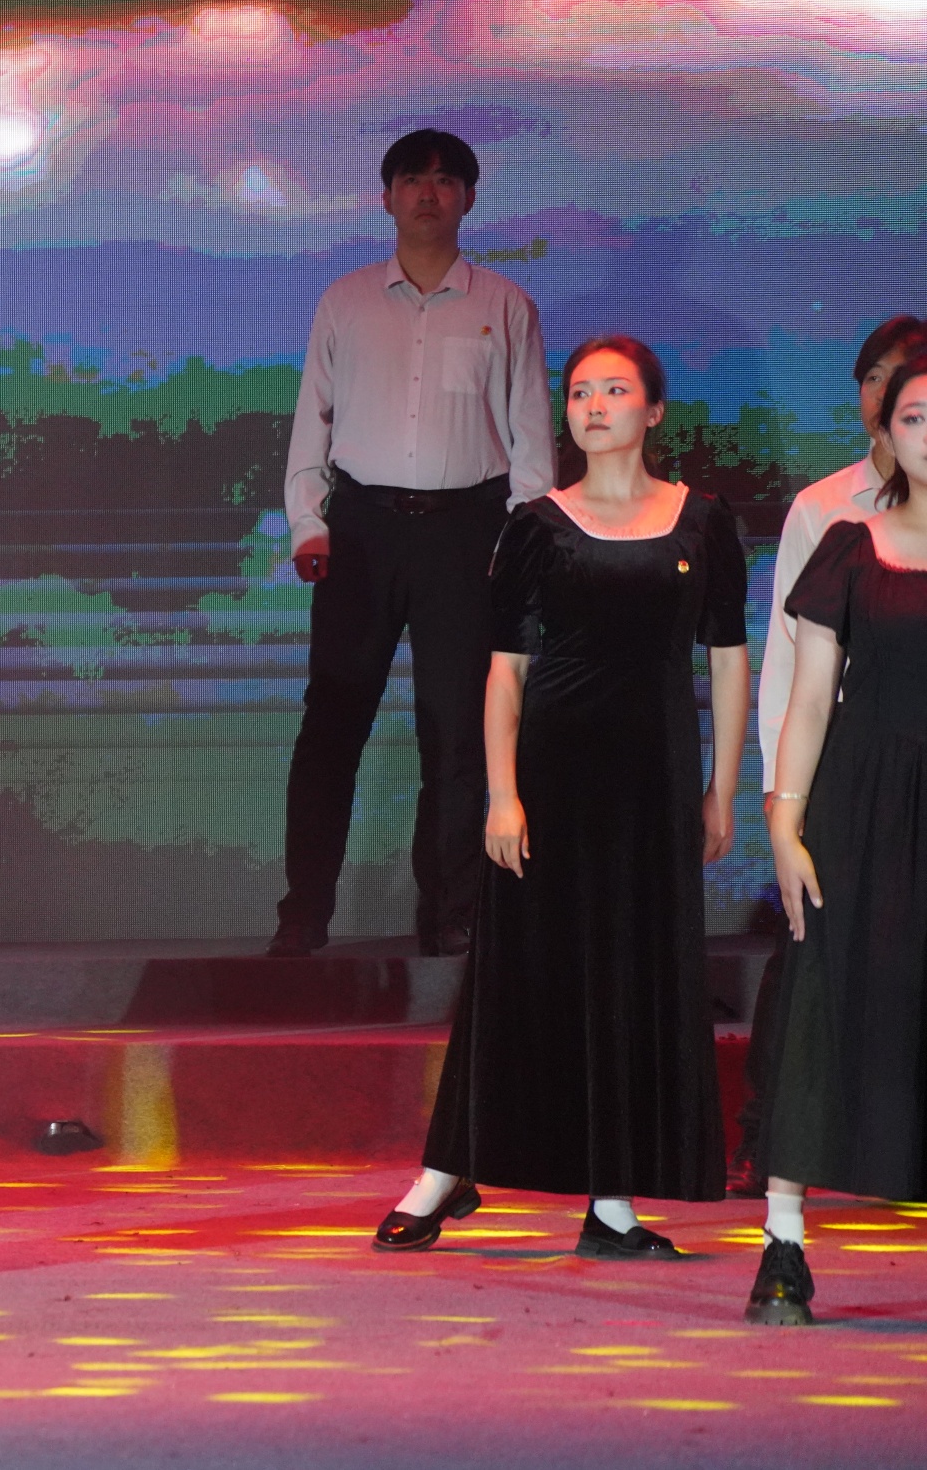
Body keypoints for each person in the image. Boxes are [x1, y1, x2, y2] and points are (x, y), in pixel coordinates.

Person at [374, 336, 746, 1258]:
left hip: (655, 778)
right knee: (518, 971)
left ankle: (612, 1206)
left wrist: (723, 788)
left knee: (634, 974)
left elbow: (729, 661)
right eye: (580, 392)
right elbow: (504, 672)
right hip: (552, 774)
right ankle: (447, 1168)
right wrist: (502, 795)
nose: (595, 406)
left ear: (653, 410)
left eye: (615, 390)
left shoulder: (703, 522)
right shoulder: (536, 526)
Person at [271, 131, 554, 957]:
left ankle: (453, 912)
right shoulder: (345, 301)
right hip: (362, 531)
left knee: (458, 731)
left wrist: (522, 546)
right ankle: (302, 913)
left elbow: (531, 439)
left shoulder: (505, 304)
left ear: (469, 197)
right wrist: (309, 523)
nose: (429, 193)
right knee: (332, 723)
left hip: (468, 532)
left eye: (444, 180)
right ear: (387, 196)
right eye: (412, 179)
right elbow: (312, 423)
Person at [728, 315, 927, 1196]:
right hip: (866, 786)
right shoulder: (846, 535)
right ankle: (785, 1220)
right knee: (827, 984)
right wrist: (784, 815)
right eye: (913, 416)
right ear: (884, 427)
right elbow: (806, 693)